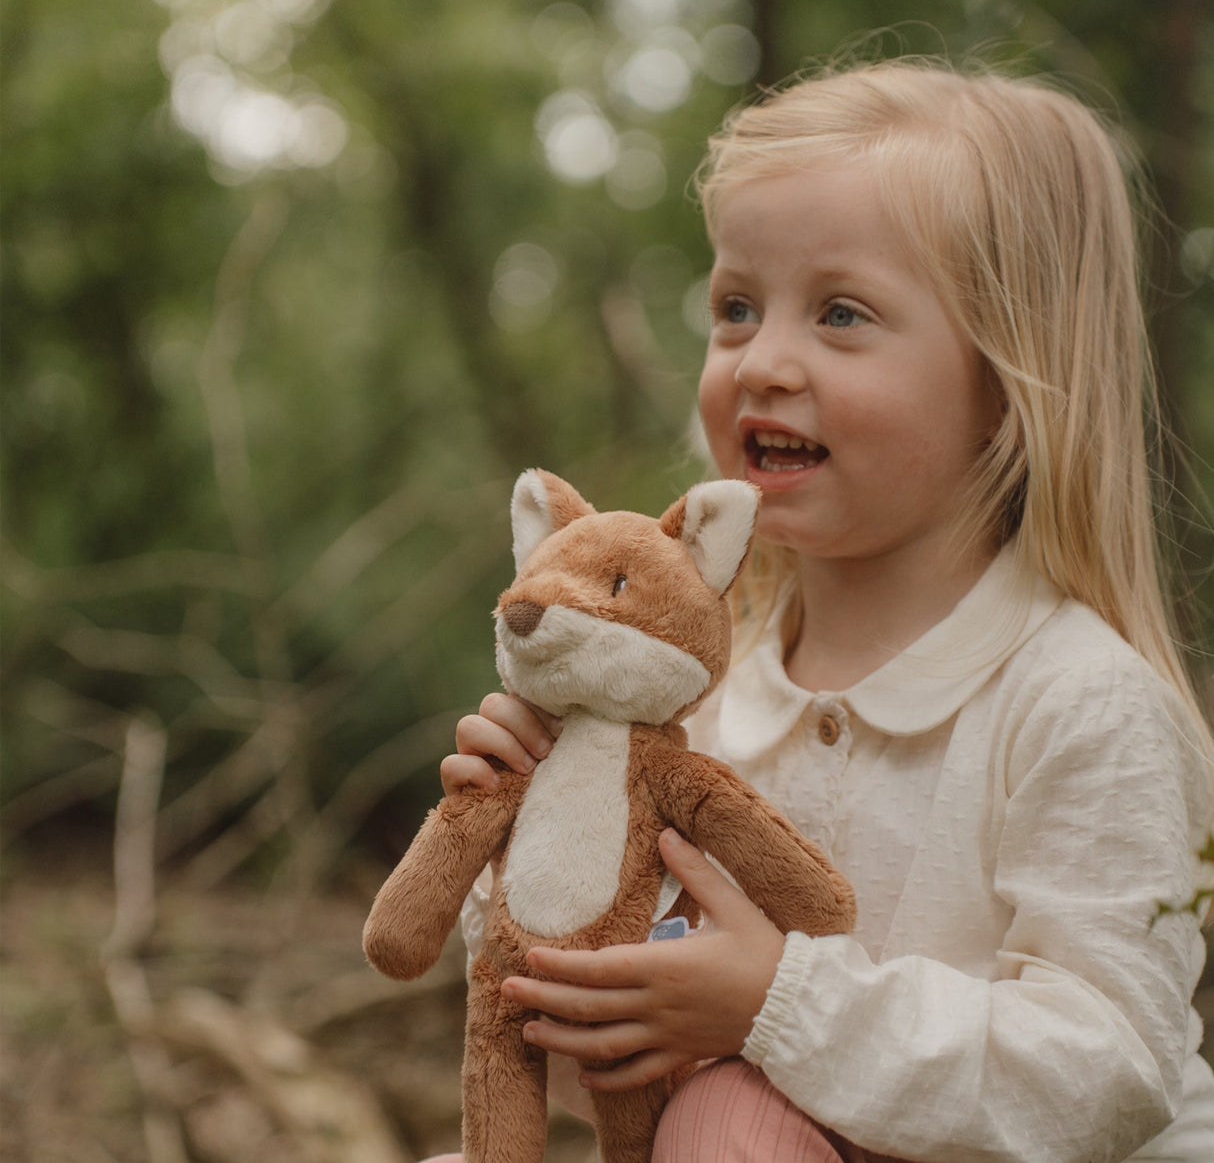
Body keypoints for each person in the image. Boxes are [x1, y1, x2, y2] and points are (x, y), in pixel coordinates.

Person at [426, 57, 1214, 1162]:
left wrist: (775, 1003)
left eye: (839, 313)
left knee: (720, 1122)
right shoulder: (692, 698)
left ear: (1004, 378)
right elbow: (590, 1086)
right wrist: (530, 851)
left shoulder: (1082, 704)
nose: (760, 361)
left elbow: (1104, 1071)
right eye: (735, 306)